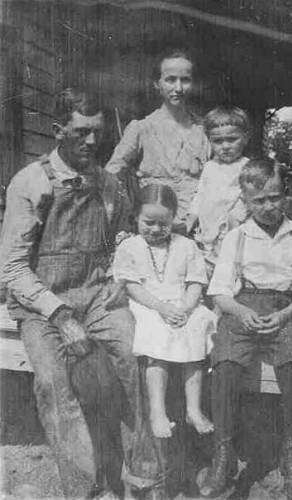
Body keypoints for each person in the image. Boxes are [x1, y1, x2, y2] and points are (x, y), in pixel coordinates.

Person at [0, 88, 137, 499]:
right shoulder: (31, 182)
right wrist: (60, 315)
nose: (92, 142)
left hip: (97, 294)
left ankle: (141, 478)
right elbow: (12, 269)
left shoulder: (109, 183)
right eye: (81, 133)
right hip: (42, 304)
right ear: (57, 131)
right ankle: (85, 490)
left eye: (96, 132)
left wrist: (121, 275)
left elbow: (125, 237)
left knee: (136, 356)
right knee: (53, 384)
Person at [202, 158, 292, 499]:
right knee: (225, 362)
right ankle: (224, 454)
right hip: (244, 308)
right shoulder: (236, 237)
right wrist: (241, 312)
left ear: (284, 194)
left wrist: (286, 314)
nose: (269, 206)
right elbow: (220, 291)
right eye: (259, 200)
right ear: (245, 201)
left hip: (286, 309)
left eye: (275, 197)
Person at [113, 184, 216, 439]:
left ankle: (193, 408)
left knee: (198, 324)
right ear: (136, 216)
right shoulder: (129, 246)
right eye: (149, 222)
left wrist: (185, 308)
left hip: (183, 304)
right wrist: (161, 308)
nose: (156, 229)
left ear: (173, 220)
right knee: (157, 334)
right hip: (148, 305)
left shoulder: (186, 246)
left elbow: (195, 283)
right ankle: (157, 411)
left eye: (164, 223)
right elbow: (132, 286)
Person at [105, 49, 209, 226]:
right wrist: (130, 209)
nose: (178, 88)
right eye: (170, 80)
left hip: (197, 226)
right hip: (154, 226)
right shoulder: (141, 128)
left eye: (185, 80)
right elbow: (112, 173)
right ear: (157, 83)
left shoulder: (205, 129)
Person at [187, 106, 249, 270]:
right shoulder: (209, 167)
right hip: (208, 225)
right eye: (218, 141)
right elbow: (200, 196)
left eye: (232, 139)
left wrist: (234, 221)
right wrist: (191, 219)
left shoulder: (246, 167)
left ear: (245, 138)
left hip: (232, 227)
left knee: (231, 263)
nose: (225, 146)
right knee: (206, 264)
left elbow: (248, 199)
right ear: (209, 141)